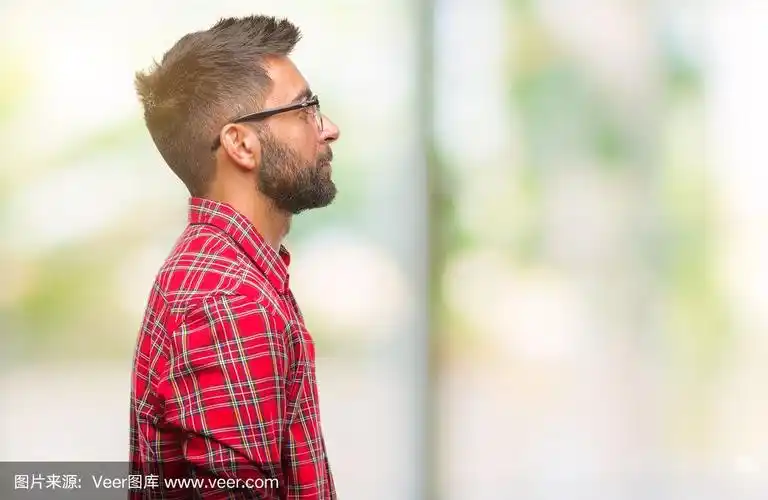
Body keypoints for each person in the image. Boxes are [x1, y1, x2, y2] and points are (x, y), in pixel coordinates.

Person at [128, 14, 340, 499]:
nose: (329, 129)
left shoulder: (222, 271)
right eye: (304, 109)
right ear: (241, 144)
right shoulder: (229, 298)